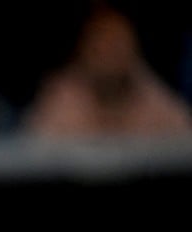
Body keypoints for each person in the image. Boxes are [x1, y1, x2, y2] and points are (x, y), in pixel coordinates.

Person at [21, 1, 192, 137]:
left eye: (118, 45)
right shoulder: (59, 101)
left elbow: (183, 143)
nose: (110, 56)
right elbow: (34, 158)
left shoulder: (154, 97)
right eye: (101, 47)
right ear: (84, 52)